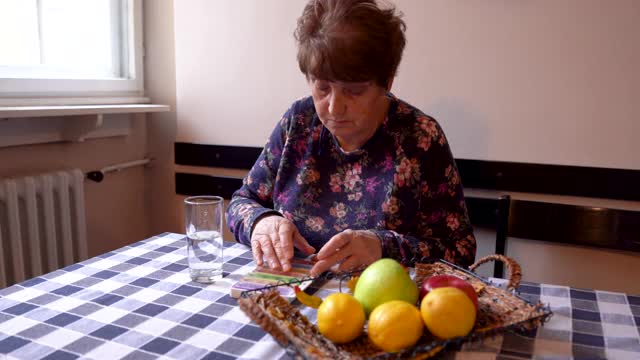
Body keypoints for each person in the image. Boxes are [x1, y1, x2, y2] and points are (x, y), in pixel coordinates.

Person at [226, 0, 475, 277]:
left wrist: (383, 247)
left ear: (387, 82)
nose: (333, 107)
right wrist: (262, 221)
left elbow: (460, 250)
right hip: (290, 291)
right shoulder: (299, 121)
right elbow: (241, 202)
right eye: (322, 87)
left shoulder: (419, 137)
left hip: (381, 306)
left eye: (354, 90)